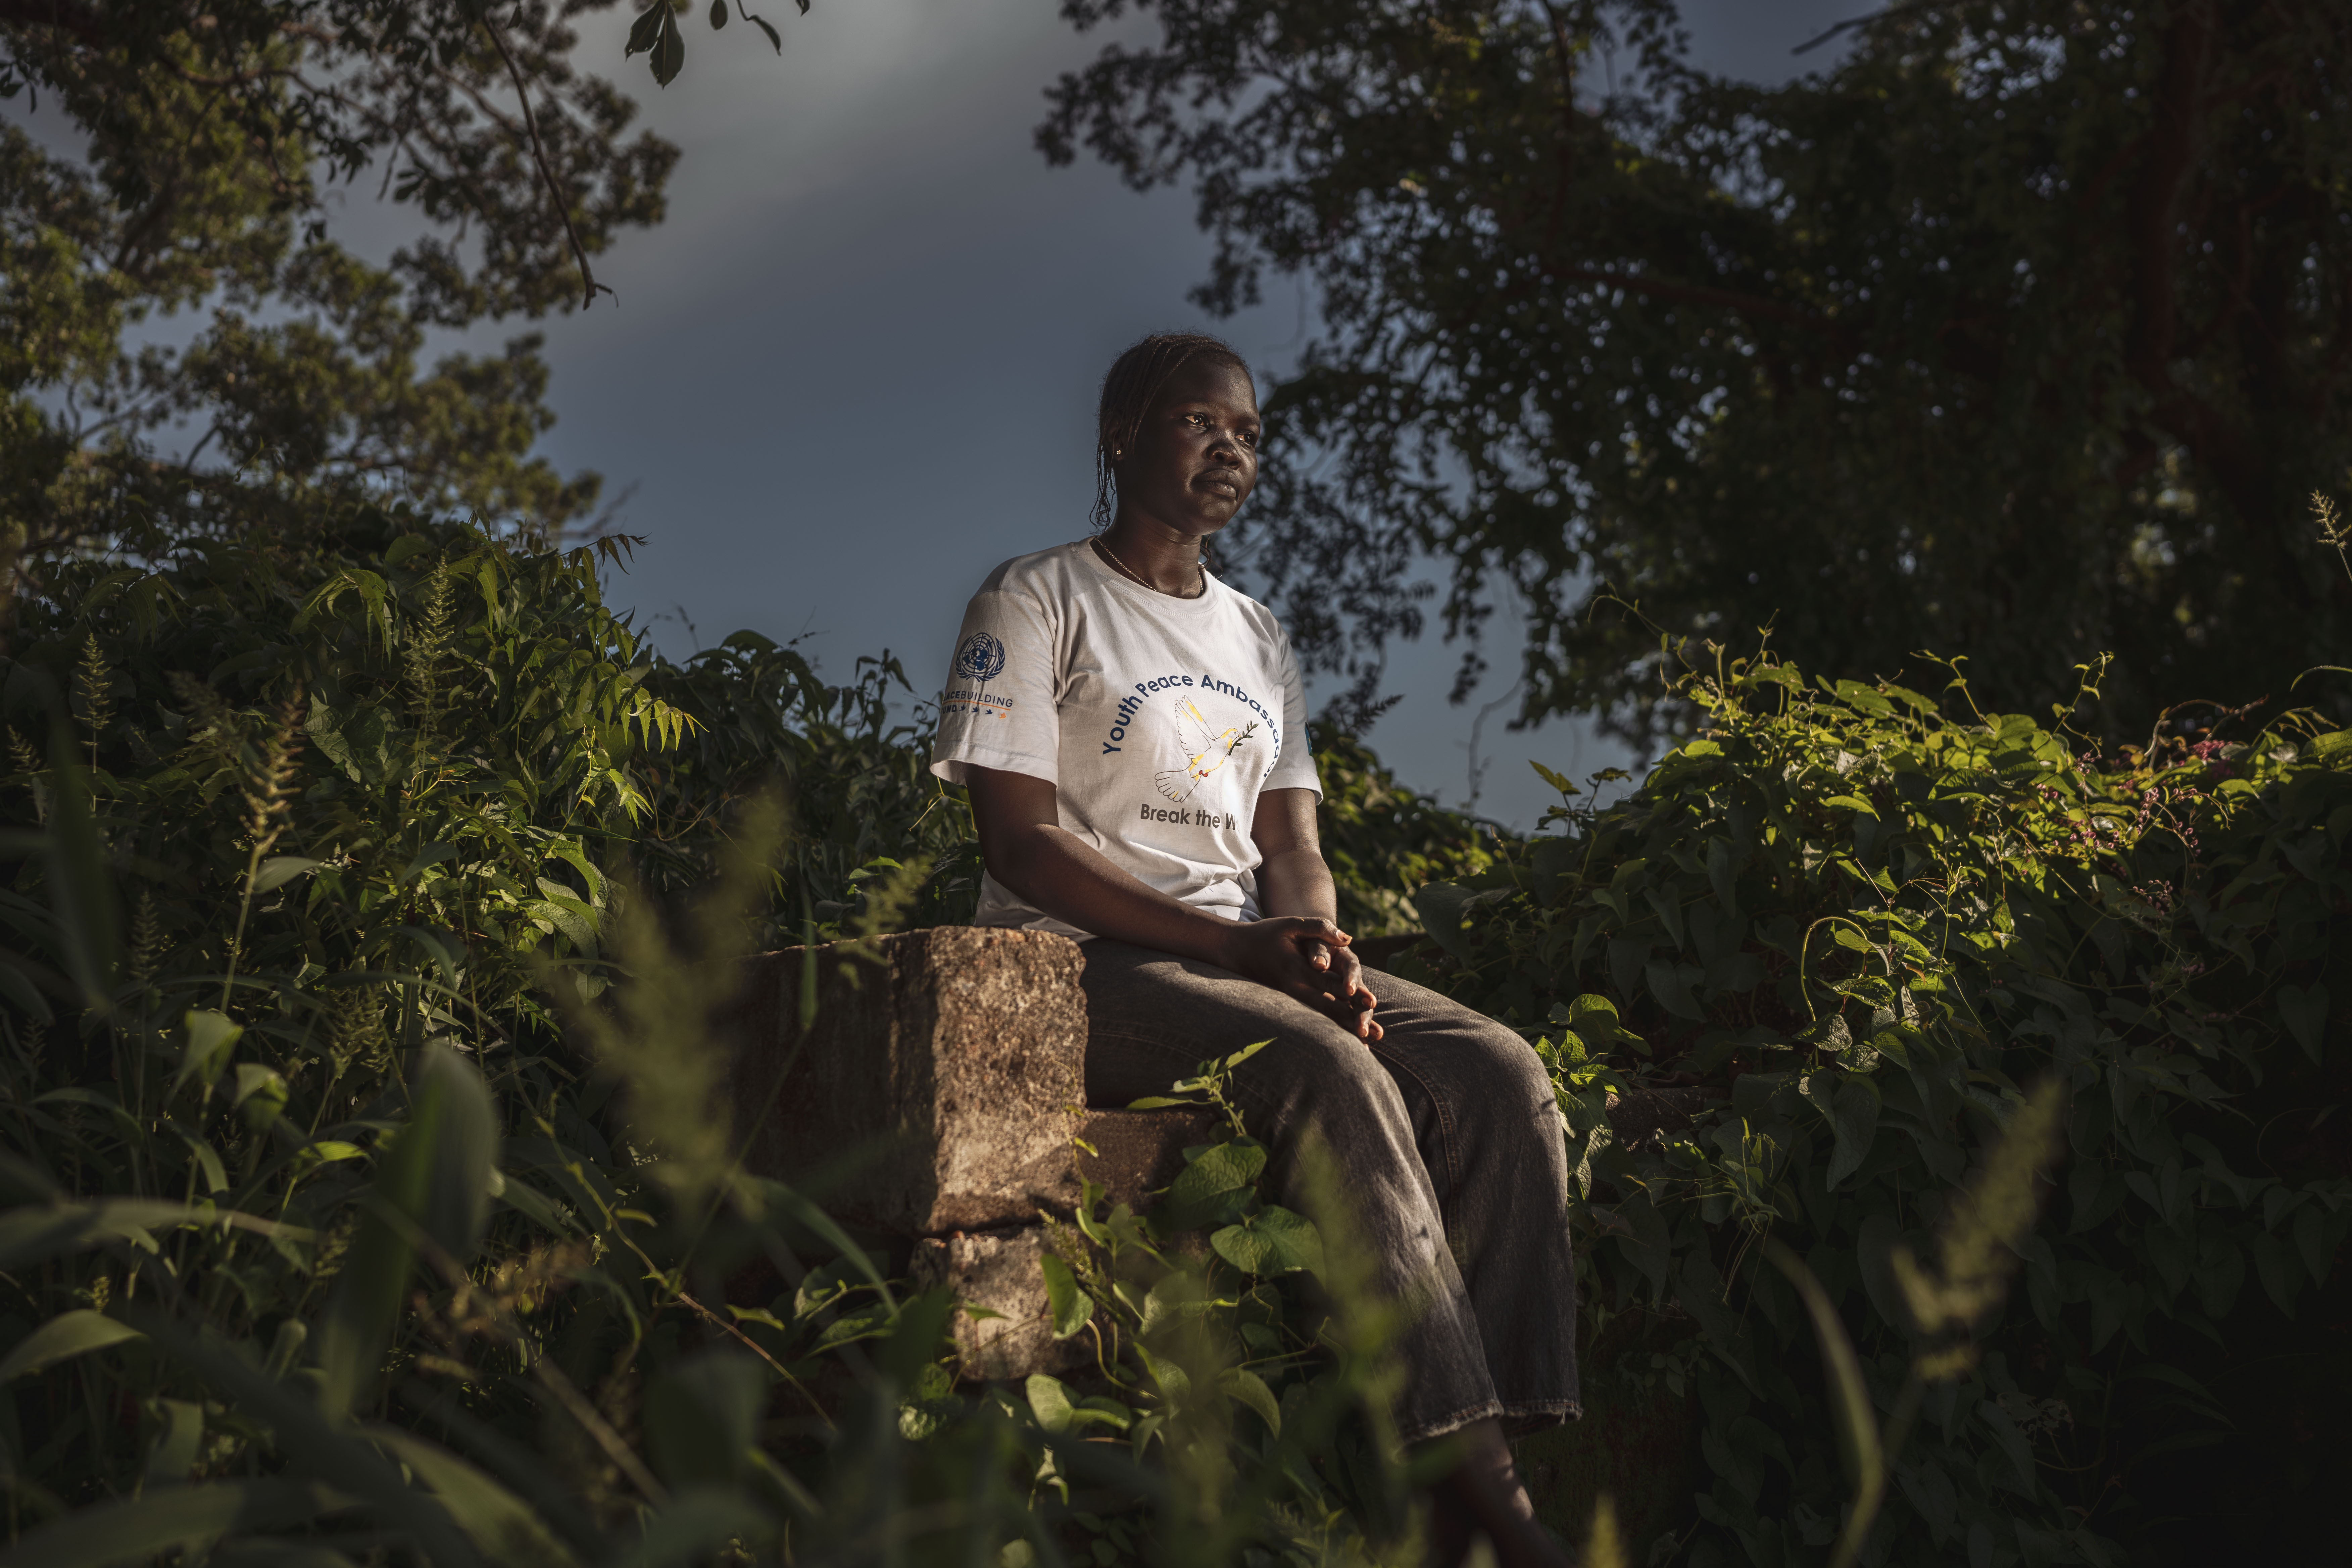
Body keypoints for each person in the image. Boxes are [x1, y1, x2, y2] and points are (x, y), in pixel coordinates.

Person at [928, 332, 1579, 1568]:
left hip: (1244, 948)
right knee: (1324, 1074)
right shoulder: (1035, 599)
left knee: (1500, 1073)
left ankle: (1488, 1481)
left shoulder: (1258, 635)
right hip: (1081, 963)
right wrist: (1250, 961)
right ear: (1122, 433)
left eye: (1250, 433)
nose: (1231, 448)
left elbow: (1291, 844)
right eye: (1198, 422)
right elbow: (1020, 846)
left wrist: (1319, 946)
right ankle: (1479, 1489)